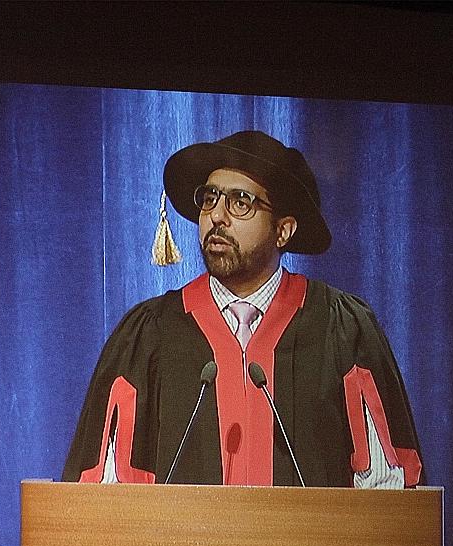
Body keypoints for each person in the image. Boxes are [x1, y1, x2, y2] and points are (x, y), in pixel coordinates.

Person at [63, 130, 421, 490]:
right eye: (209, 198)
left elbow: (388, 502)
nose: (216, 216)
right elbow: (104, 503)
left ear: (283, 231)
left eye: (241, 201)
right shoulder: (148, 335)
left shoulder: (342, 329)